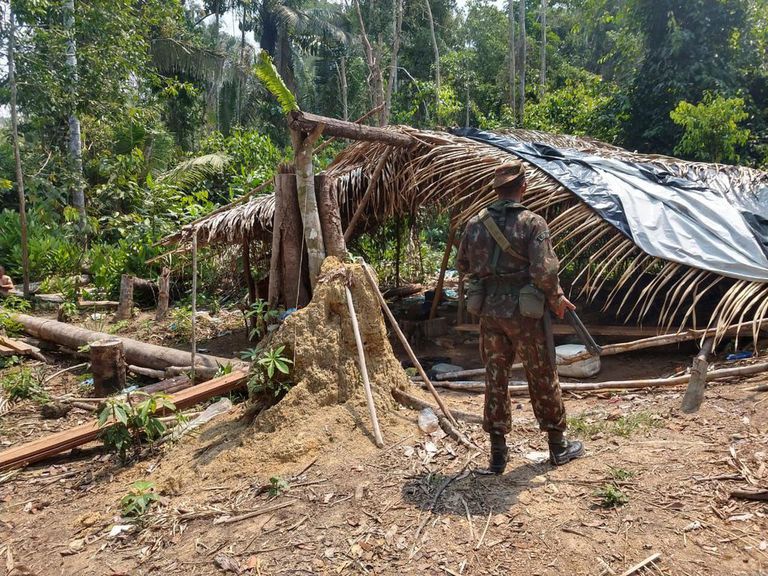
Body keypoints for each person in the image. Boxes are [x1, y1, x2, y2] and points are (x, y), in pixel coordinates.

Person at [457, 161, 584, 473]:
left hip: (490, 312)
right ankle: (558, 446)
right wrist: (556, 298)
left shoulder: (475, 224)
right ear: (523, 187)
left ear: (497, 190)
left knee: (495, 376)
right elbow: (544, 271)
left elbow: (463, 265)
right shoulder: (533, 223)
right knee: (541, 373)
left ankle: (497, 455)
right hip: (525, 313)